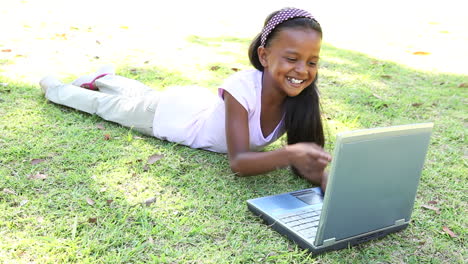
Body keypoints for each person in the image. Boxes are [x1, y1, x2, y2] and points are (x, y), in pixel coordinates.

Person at [39, 7, 332, 190]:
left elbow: (307, 164)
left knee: (141, 94)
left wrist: (325, 180)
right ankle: (55, 88)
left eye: (311, 62)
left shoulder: (301, 98)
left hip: (195, 106)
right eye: (292, 58)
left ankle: (105, 79)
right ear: (264, 56)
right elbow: (240, 162)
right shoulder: (241, 87)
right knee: (104, 106)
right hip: (168, 118)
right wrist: (291, 154)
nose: (302, 70)